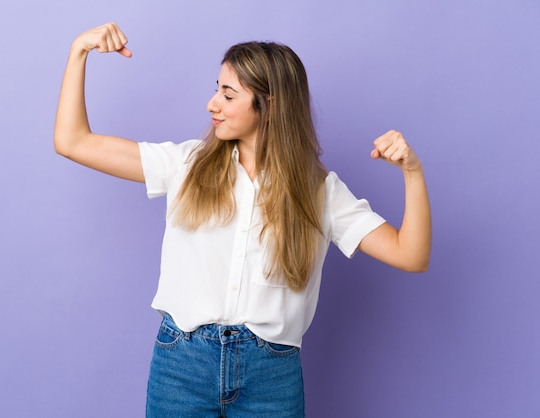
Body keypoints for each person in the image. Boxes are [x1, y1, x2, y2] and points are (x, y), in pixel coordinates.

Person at [54, 22, 431, 418]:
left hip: (272, 376)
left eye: (228, 94)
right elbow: (72, 141)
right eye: (216, 88)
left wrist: (412, 171)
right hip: (182, 365)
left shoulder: (319, 191)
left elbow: (412, 255)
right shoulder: (185, 165)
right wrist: (79, 50)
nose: (212, 103)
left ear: (268, 106)